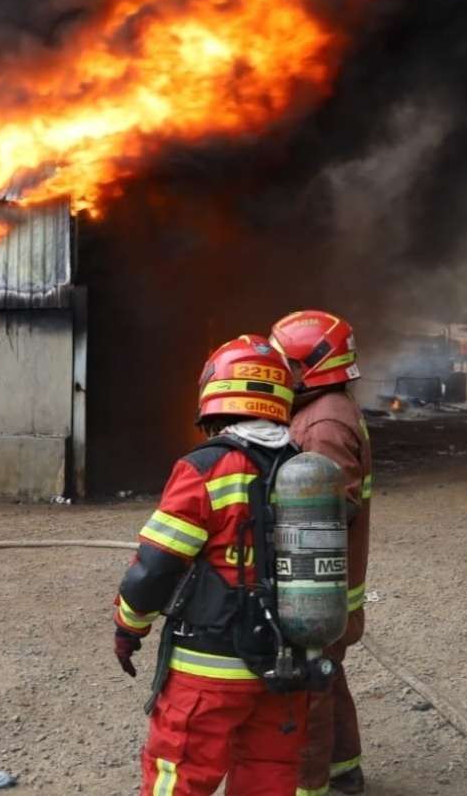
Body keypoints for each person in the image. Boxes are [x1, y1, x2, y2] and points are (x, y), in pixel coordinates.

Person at [112, 335, 310, 795]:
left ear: (214, 391)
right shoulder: (305, 469)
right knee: (269, 774)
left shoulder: (206, 468)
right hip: (288, 663)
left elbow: (156, 566)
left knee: (180, 774)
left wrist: (128, 626)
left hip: (210, 667)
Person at [270, 310, 371, 796]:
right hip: (331, 589)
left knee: (306, 690)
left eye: (284, 363)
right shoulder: (324, 409)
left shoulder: (324, 423)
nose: (275, 374)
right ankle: (344, 771)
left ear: (313, 365)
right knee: (325, 676)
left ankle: (309, 788)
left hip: (319, 591)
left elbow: (327, 515)